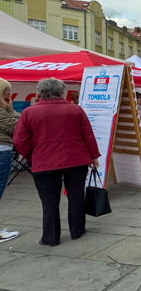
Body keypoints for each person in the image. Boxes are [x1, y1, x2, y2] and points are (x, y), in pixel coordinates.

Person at [13, 78, 100, 246]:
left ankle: (50, 237)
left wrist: (31, 155)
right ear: (62, 92)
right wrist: (93, 155)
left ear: (40, 93)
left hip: (44, 161)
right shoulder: (75, 110)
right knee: (75, 196)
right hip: (75, 159)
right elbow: (88, 134)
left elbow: (19, 140)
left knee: (49, 200)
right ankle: (77, 230)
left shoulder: (29, 113)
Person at [0, 78, 20, 243]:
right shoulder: (1, 111)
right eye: (6, 90)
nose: (8, 93)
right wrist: (11, 111)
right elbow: (17, 126)